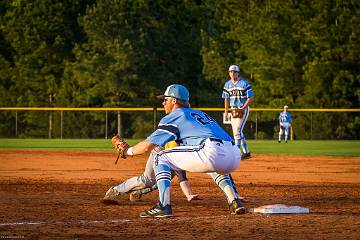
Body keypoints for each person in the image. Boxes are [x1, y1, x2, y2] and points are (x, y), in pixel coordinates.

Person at [112, 84, 245, 218]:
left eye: (165, 99)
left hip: (210, 150)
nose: (163, 102)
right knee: (217, 165)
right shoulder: (200, 113)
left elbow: (147, 146)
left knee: (160, 156)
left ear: (174, 100)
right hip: (234, 154)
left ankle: (164, 206)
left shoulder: (176, 115)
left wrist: (127, 151)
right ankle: (235, 201)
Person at [102, 142, 200, 204]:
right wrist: (189, 194)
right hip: (160, 152)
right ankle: (114, 191)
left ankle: (137, 193)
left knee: (163, 180)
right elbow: (181, 175)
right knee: (148, 180)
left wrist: (189, 194)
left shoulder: (193, 143)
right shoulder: (181, 145)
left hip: (171, 154)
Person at [222, 64, 255, 159]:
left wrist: (243, 108)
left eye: (234, 72)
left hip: (242, 108)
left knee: (237, 131)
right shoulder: (227, 84)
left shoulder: (244, 83)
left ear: (238, 73)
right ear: (229, 73)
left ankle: (236, 153)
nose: (232, 73)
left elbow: (250, 97)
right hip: (233, 109)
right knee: (237, 131)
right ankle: (247, 152)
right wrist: (226, 112)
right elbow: (226, 99)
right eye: (231, 72)